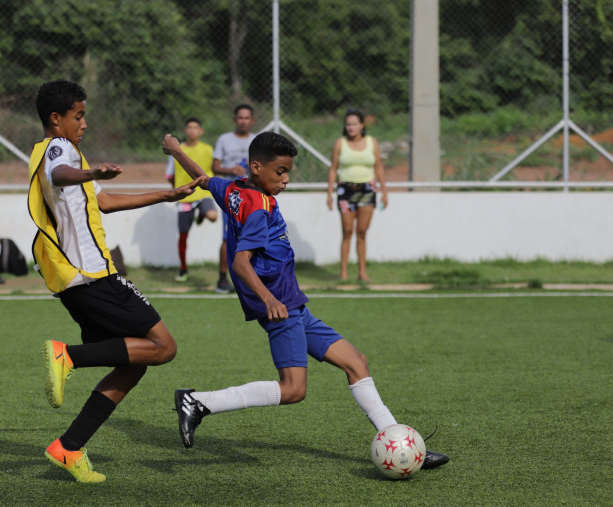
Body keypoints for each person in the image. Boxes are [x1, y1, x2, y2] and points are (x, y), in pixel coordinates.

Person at [163, 131, 448, 471]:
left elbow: (204, 179)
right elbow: (240, 262)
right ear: (257, 167)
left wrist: (176, 151)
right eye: (280, 171)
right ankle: (198, 402)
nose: (286, 179)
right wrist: (269, 299)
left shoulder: (236, 189)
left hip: (294, 305)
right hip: (281, 307)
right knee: (294, 389)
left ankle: (397, 441)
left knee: (356, 362)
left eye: (288, 172)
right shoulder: (259, 208)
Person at [29, 80, 203, 483]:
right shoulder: (58, 149)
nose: (84, 123)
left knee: (134, 364)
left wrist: (164, 196)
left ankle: (69, 447)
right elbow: (60, 173)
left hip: (79, 281)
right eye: (78, 116)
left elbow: (103, 201)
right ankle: (68, 356)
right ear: (56, 119)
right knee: (164, 347)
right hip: (93, 276)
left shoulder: (65, 153)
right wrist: (90, 170)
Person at [326, 109, 388, 281]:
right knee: (347, 231)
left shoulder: (372, 142)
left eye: (354, 124)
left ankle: (362, 273)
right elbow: (333, 169)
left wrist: (384, 191)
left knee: (362, 232)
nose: (351, 127)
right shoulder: (340, 143)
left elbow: (378, 167)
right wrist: (329, 193)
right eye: (348, 124)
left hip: (367, 190)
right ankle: (343, 273)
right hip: (345, 190)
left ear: (361, 125)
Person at [164, 117, 218, 282]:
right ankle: (183, 269)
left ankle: (201, 214)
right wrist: (177, 190)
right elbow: (170, 175)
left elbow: (213, 169)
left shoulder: (208, 149)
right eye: (190, 127)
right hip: (185, 196)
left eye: (195, 127)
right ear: (185, 130)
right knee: (183, 235)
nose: (192, 130)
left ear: (200, 131)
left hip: (203, 194)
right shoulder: (177, 150)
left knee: (213, 216)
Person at [211, 104, 257, 293]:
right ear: (234, 120)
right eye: (240, 117)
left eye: (246, 118)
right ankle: (222, 279)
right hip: (231, 195)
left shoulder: (257, 140)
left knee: (253, 237)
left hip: (252, 195)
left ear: (252, 120)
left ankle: (252, 280)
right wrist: (231, 169)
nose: (243, 121)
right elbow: (214, 167)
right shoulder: (224, 139)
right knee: (227, 237)